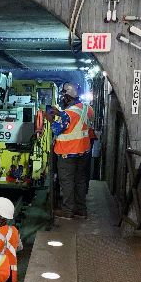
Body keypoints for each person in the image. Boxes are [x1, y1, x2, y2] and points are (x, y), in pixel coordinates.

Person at [47, 82, 97, 219]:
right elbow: (76, 121)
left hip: (68, 153)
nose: (62, 99)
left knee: (67, 181)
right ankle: (81, 209)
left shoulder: (68, 113)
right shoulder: (87, 108)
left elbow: (57, 129)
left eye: (63, 96)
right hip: (84, 151)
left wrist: (51, 119)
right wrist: (61, 113)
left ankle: (68, 211)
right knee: (80, 180)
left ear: (68, 97)